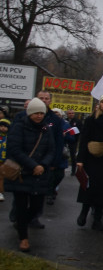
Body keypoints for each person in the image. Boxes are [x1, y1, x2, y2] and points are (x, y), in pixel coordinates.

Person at [6, 98, 58, 251]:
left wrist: (42, 165)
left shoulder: (46, 129)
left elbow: (51, 150)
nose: (39, 116)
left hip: (40, 174)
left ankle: (21, 223)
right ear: (30, 113)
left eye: (42, 113)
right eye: (36, 113)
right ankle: (24, 239)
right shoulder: (18, 127)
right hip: (22, 173)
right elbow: (14, 150)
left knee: (36, 207)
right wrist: (33, 165)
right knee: (21, 206)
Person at [74, 95, 103, 231]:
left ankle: (97, 219)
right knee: (89, 186)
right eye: (102, 102)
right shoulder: (91, 120)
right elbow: (84, 139)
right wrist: (80, 160)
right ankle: (84, 212)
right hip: (91, 158)